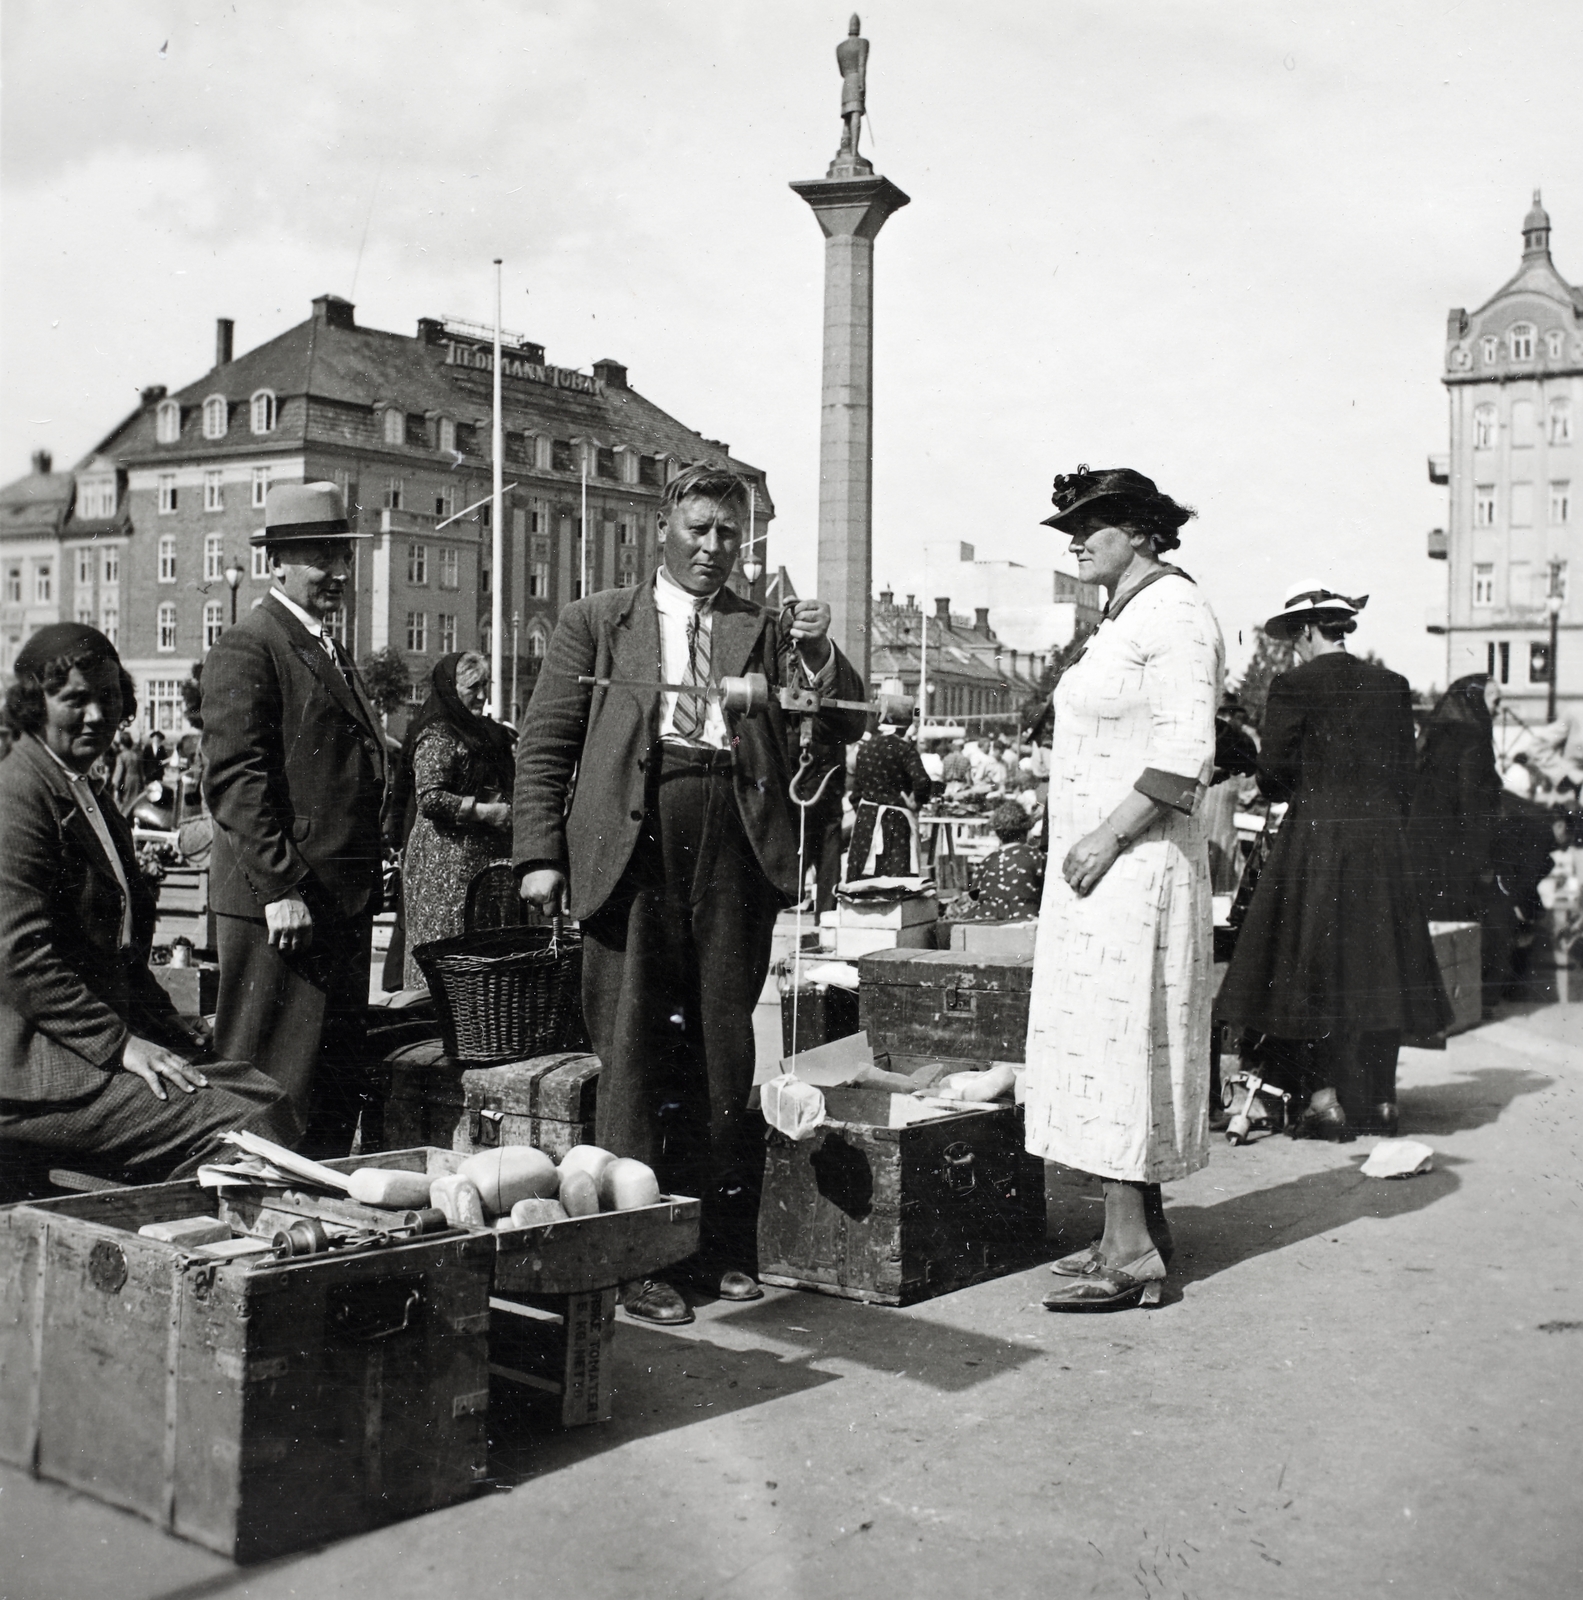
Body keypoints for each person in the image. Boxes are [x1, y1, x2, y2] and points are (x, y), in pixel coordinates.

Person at [514, 464, 867, 1325]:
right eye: (699, 530)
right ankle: (641, 1258)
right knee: (631, 1051)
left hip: (734, 846)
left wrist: (819, 651)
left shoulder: (769, 626)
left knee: (722, 1050)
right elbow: (546, 742)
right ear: (661, 528)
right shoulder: (597, 621)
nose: (714, 550)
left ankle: (718, 1246)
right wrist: (538, 855)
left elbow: (848, 717)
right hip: (629, 847)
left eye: (729, 536)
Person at [1002, 466, 1223, 1313]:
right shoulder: (1123, 615)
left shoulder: (1173, 611)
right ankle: (1133, 1229)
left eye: (1089, 523)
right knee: (1102, 1045)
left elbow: (1185, 751)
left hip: (1136, 865)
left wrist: (1105, 835)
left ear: (1139, 530)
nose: (1072, 538)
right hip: (1105, 871)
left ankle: (1130, 1255)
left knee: (1122, 1047)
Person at [0, 624, 289, 1183]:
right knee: (244, 1128)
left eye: (109, 699)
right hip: (31, 1069)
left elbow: (118, 957)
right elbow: (19, 959)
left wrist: (171, 1028)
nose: (95, 716)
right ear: (35, 704)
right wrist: (121, 1044)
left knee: (263, 1092)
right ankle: (163, 1250)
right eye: (75, 700)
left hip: (75, 1049)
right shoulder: (19, 792)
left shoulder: (87, 791)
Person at [1217, 580, 1451, 1139]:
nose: (1292, 649)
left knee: (1307, 970)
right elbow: (1404, 776)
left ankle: (1326, 1104)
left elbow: (1272, 780)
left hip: (1317, 844)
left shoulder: (1293, 685)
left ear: (1305, 631)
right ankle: (1384, 1103)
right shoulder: (1391, 685)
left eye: (1292, 639)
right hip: (1382, 846)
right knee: (1379, 968)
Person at [201, 482, 386, 1153]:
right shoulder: (251, 645)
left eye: (342, 556)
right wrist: (280, 889)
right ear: (275, 561)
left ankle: (314, 1228)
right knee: (267, 1086)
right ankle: (250, 1226)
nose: (337, 572)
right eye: (319, 557)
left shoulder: (317, 643)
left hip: (329, 903)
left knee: (326, 1086)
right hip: (283, 908)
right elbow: (235, 781)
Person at [400, 652, 516, 989]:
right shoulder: (438, 733)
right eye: (473, 687)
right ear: (452, 689)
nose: (482, 696)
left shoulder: (477, 730)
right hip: (444, 868)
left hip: (475, 865)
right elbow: (430, 798)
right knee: (445, 950)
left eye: (485, 686)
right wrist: (483, 811)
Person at [847, 702, 934, 879]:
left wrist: (865, 811)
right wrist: (916, 802)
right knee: (895, 876)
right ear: (905, 725)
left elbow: (856, 791)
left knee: (865, 877)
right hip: (896, 821)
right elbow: (923, 780)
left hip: (866, 820)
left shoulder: (864, 748)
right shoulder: (904, 749)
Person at [954, 800, 1046, 921]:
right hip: (1026, 917)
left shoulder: (988, 860)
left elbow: (974, 894)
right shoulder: (1036, 856)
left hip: (988, 918)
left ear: (998, 834)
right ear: (1025, 831)